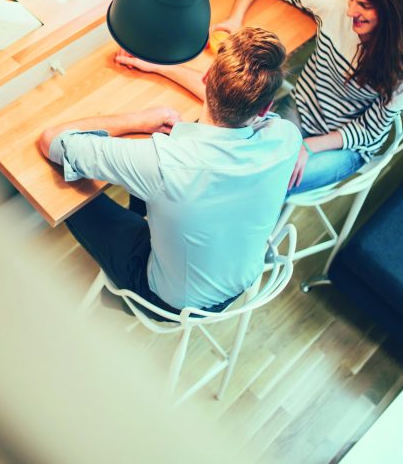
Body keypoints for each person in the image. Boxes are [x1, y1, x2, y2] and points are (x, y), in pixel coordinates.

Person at [118, 0, 403, 194]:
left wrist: (305, 147)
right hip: (296, 113)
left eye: (364, 5)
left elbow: (368, 132)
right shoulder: (337, 7)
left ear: (393, 9)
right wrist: (235, 19)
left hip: (342, 145)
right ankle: (157, 64)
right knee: (229, 102)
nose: (351, 10)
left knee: (261, 180)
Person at [38, 28, 300, 315]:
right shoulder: (286, 137)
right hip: (239, 279)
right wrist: (157, 64)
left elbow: (53, 141)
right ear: (266, 109)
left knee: (68, 189)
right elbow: (235, 104)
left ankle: (124, 298)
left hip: (170, 303)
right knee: (151, 187)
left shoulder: (163, 162)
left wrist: (138, 120)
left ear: (206, 78)